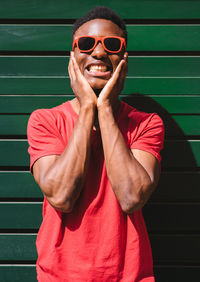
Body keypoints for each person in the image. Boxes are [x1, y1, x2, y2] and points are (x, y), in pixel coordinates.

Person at [27, 6, 164, 282]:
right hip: (59, 277)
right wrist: (88, 107)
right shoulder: (45, 121)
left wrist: (104, 111)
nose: (99, 53)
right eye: (87, 44)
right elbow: (62, 196)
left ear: (124, 58)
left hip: (129, 276)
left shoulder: (147, 124)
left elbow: (131, 197)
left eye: (111, 45)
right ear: (72, 57)